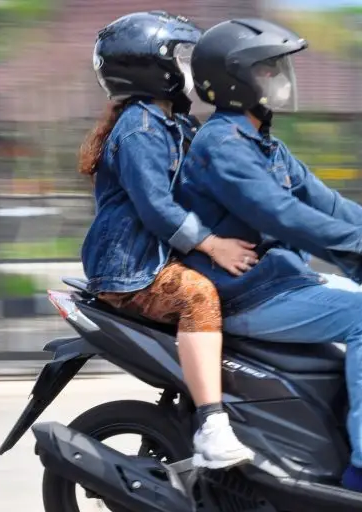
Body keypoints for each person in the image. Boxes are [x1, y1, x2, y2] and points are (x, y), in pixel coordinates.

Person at [175, 18, 362, 504]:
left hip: (281, 281)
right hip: (246, 292)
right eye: (269, 68)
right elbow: (282, 215)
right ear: (235, 80)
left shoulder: (263, 143)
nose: (281, 78)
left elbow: (327, 203)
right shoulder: (221, 145)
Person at [78, 11, 258, 470]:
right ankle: (213, 427)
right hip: (131, 268)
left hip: (157, 256)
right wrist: (214, 244)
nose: (191, 71)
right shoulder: (139, 128)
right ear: (151, 69)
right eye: (181, 59)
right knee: (199, 296)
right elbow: (156, 207)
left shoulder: (175, 123)